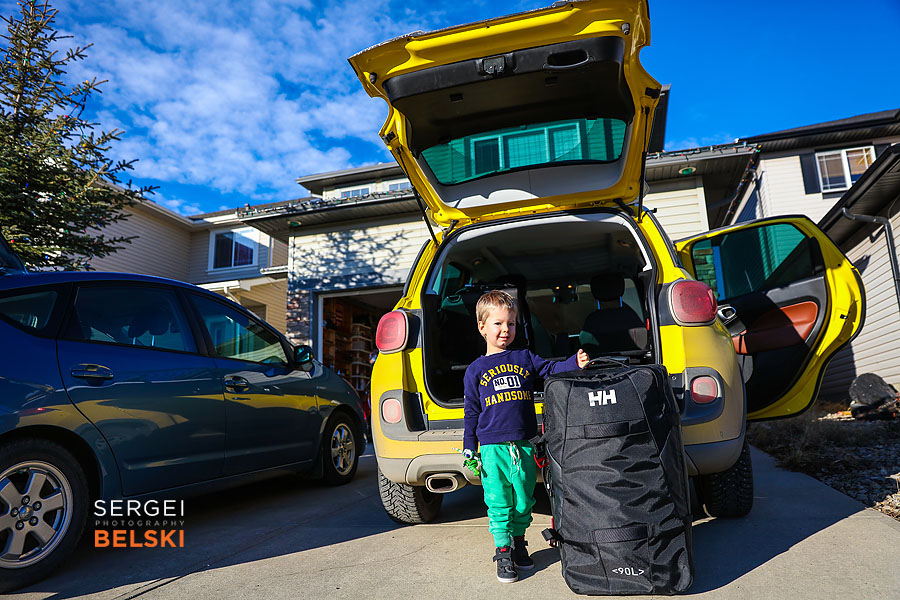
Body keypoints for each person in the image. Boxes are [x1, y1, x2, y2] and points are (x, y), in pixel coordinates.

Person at [463, 289, 589, 583]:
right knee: (498, 502)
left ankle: (519, 544)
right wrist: (470, 447)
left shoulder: (524, 358)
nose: (505, 330)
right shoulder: (475, 370)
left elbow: (550, 369)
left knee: (523, 501)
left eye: (511, 324)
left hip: (524, 446)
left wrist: (574, 363)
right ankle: (503, 551)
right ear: (482, 327)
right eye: (497, 324)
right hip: (493, 448)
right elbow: (471, 412)